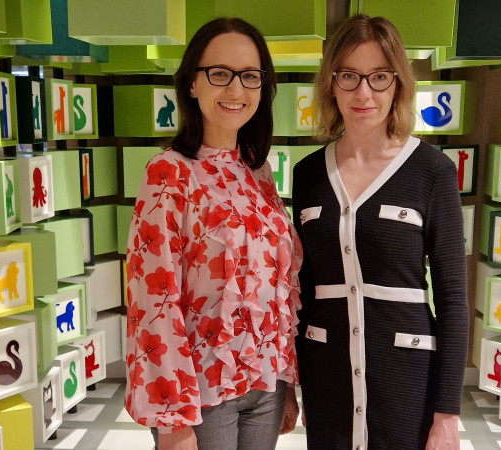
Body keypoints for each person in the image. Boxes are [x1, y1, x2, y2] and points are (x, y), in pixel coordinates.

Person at [291, 14, 468, 450]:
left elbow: (452, 300)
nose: (363, 92)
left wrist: (447, 414)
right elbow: (302, 289)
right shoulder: (307, 174)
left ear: (398, 84)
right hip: (327, 380)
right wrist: (293, 384)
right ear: (331, 83)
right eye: (349, 75)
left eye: (379, 76)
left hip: (406, 382)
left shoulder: (432, 172)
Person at [124, 17, 302, 450]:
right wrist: (172, 419)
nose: (236, 89)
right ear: (191, 83)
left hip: (265, 385)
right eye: (220, 73)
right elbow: (152, 300)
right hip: (200, 394)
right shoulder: (168, 172)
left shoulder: (257, 170)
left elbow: (276, 289)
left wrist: (287, 380)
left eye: (250, 76)